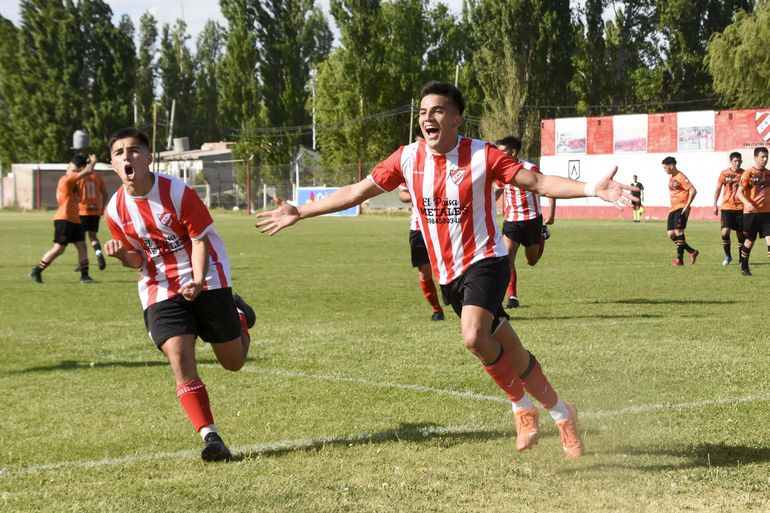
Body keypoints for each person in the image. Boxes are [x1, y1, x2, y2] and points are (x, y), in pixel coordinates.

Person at [257, 81, 639, 458]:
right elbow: (357, 191)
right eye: (423, 112)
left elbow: (537, 181)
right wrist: (301, 211)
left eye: (437, 110)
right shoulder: (406, 159)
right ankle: (562, 413)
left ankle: (521, 407)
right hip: (449, 276)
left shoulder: (483, 155)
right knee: (512, 352)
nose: (428, 118)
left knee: (473, 337)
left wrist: (593, 188)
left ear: (457, 119)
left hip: (486, 262)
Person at [103, 127, 256, 462]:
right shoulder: (115, 210)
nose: (127, 157)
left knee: (233, 362)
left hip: (208, 276)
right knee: (179, 357)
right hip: (159, 286)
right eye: (119, 153)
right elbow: (138, 258)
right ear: (113, 164)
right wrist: (120, 255)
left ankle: (240, 316)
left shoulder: (177, 192)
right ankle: (211, 437)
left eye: (134, 150)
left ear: (148, 157)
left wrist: (199, 281)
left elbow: (200, 240)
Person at [494, 136, 555, 309]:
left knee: (532, 261)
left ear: (513, 152)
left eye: (502, 151)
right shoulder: (501, 170)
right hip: (512, 221)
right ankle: (512, 297)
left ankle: (542, 234)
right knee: (506, 260)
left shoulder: (530, 168)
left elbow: (549, 187)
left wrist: (551, 213)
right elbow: (498, 190)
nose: (499, 154)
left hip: (532, 221)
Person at [29, 154, 97, 284]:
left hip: (75, 220)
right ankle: (36, 271)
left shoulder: (75, 182)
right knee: (59, 249)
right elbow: (87, 171)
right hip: (64, 219)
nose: (69, 170)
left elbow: (87, 173)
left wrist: (86, 165)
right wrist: (93, 162)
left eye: (72, 168)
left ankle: (85, 276)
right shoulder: (65, 180)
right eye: (69, 168)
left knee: (82, 246)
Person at [398, 185, 445, 321]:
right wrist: (419, 195)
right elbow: (402, 195)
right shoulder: (411, 166)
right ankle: (437, 310)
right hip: (418, 229)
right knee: (424, 272)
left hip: (443, 225)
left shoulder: (445, 166)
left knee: (447, 266)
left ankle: (448, 289)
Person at [735, 146, 770, 277]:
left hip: (767, 213)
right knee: (750, 240)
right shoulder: (748, 173)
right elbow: (739, 193)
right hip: (751, 213)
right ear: (756, 158)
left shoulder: (769, 173)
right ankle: (744, 266)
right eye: (762, 157)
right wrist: (747, 203)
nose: (765, 159)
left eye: (767, 157)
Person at [662, 157, 699, 266]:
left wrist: (687, 206)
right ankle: (692, 251)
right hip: (673, 208)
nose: (664, 170)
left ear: (671, 166)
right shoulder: (671, 178)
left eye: (665, 168)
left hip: (681, 207)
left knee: (679, 232)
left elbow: (693, 190)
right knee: (671, 234)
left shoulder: (681, 177)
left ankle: (679, 260)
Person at [712, 152, 745, 266]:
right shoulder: (724, 174)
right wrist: (715, 204)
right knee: (725, 231)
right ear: (730, 161)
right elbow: (718, 188)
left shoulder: (745, 174)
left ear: (741, 161)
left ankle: (741, 259)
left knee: (741, 234)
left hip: (741, 208)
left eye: (739, 161)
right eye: (735, 161)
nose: (737, 163)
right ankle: (728, 256)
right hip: (726, 207)